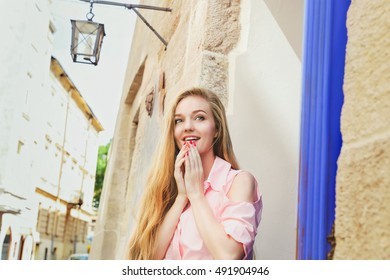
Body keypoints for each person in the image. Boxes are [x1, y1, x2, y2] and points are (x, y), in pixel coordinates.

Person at [125, 87, 262, 260]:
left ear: (217, 130)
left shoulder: (239, 182)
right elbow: (147, 259)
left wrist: (196, 195)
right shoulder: (171, 187)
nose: (188, 127)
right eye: (179, 121)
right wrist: (182, 197)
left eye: (199, 117)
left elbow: (229, 257)